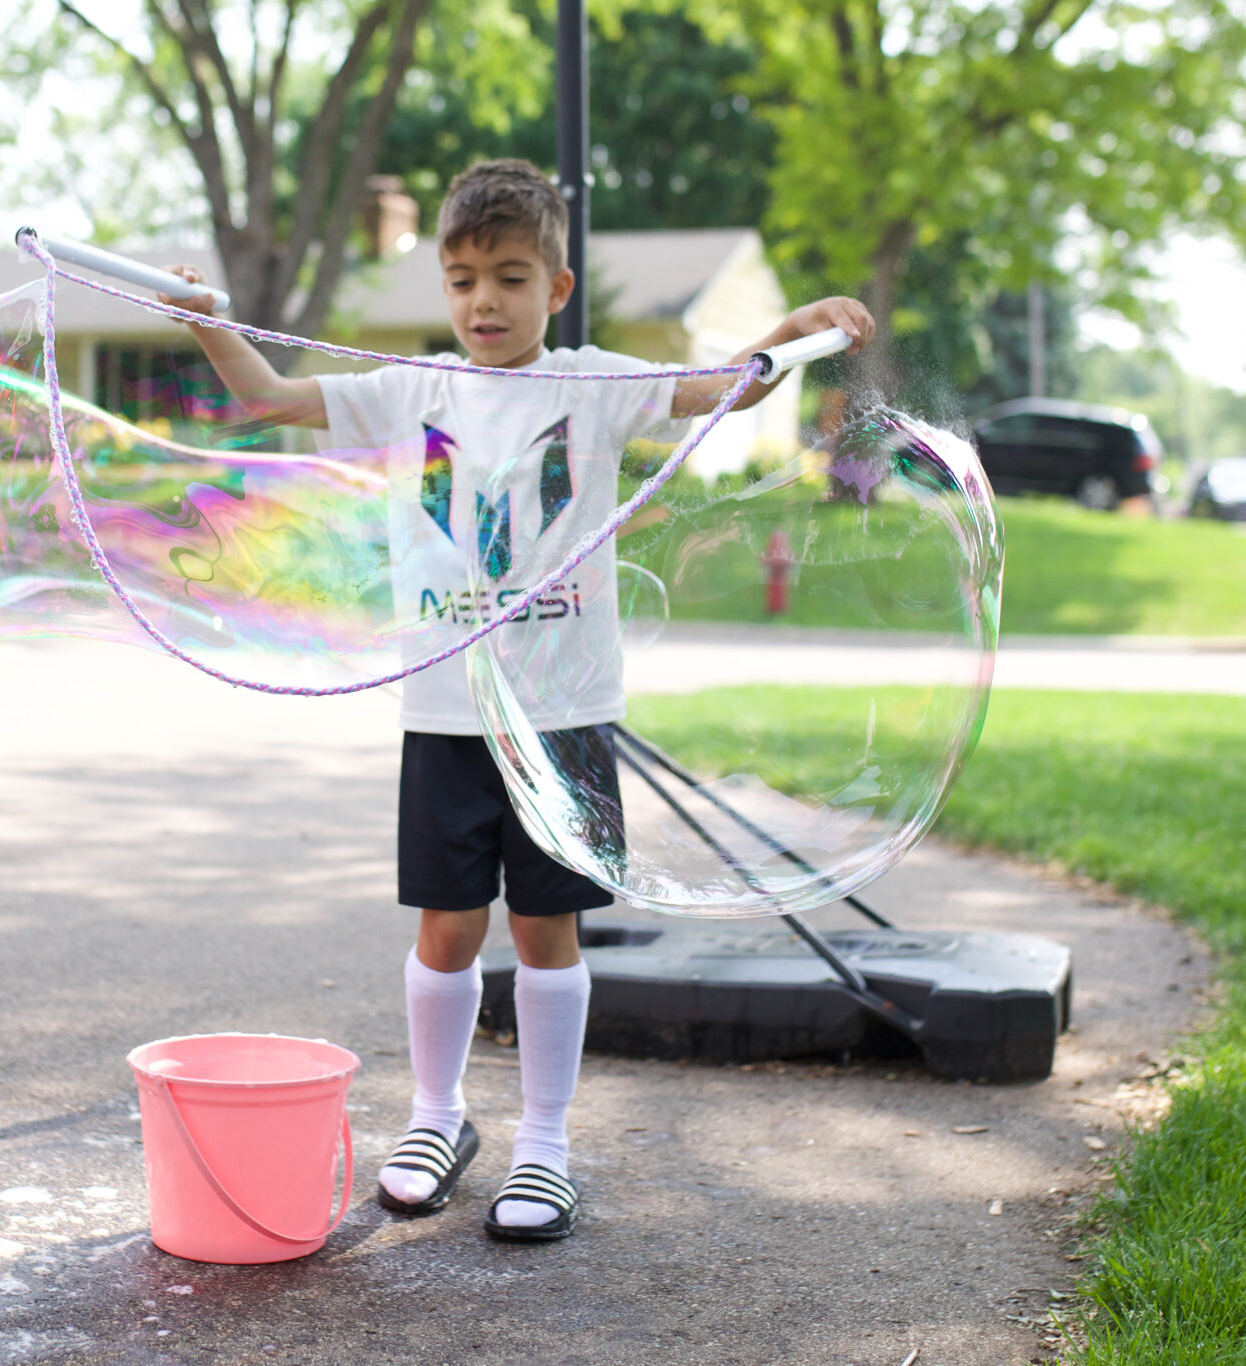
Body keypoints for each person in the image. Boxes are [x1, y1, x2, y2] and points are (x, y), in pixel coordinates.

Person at [162, 158, 870, 1241]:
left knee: (545, 930)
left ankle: (545, 1140)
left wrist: (793, 324)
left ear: (555, 287)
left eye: (506, 276)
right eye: (459, 280)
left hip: (562, 715)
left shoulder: (588, 383)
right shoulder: (410, 391)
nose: (481, 302)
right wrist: (206, 320)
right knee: (447, 930)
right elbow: (263, 395)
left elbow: (722, 382)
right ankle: (435, 1118)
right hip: (445, 718)